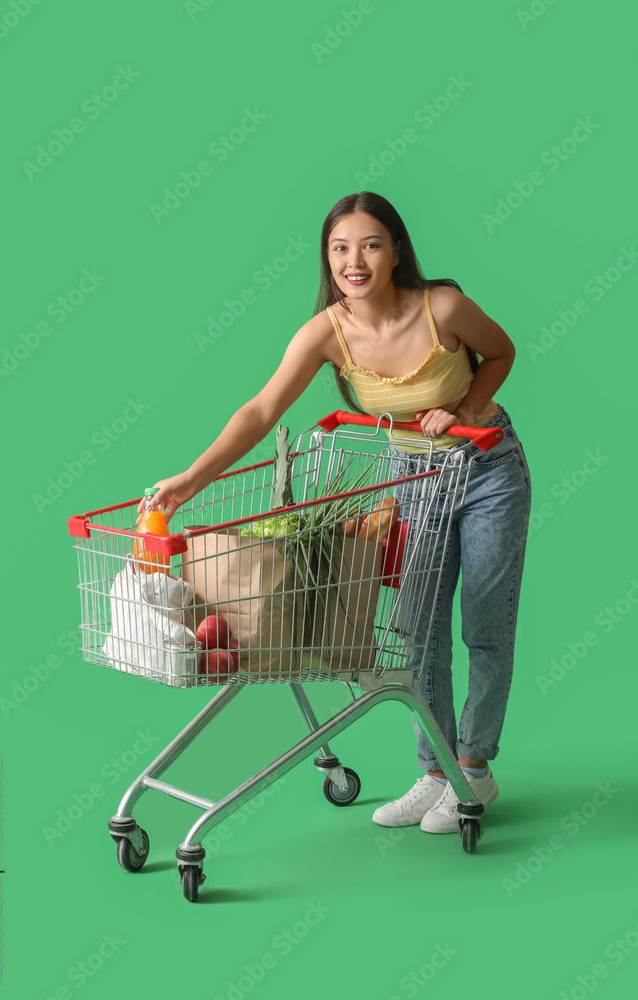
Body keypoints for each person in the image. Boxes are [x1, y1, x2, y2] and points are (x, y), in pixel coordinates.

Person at [146, 191, 532, 835]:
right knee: (418, 632)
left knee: (485, 628)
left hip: (488, 471)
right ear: (328, 258)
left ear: (397, 251)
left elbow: (501, 353)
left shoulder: (443, 308)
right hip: (416, 478)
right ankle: (434, 773)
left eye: (371, 244)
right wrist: (191, 479)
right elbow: (260, 411)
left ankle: (473, 768)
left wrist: (466, 411)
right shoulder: (328, 331)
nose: (354, 260)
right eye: (340, 247)